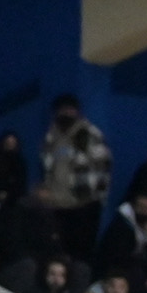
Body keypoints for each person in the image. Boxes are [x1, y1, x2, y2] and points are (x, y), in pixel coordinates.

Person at [39, 94, 111, 257]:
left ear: (77, 112)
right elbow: (46, 168)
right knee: (57, 252)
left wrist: (96, 199)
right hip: (57, 206)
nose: (66, 114)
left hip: (84, 205)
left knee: (81, 253)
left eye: (70, 110)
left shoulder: (90, 134)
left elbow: (104, 168)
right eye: (62, 110)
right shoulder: (50, 137)